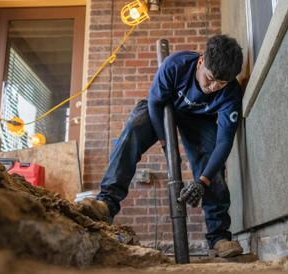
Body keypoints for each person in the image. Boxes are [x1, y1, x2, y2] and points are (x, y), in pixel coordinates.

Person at [83, 34, 244, 258]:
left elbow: (225, 141)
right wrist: (166, 144)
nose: (213, 87)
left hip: (198, 120)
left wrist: (202, 182)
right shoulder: (176, 65)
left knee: (211, 157)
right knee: (132, 132)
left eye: (221, 83)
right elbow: (154, 102)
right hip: (161, 108)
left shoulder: (231, 92)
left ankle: (219, 237)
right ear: (201, 62)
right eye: (210, 78)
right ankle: (106, 203)